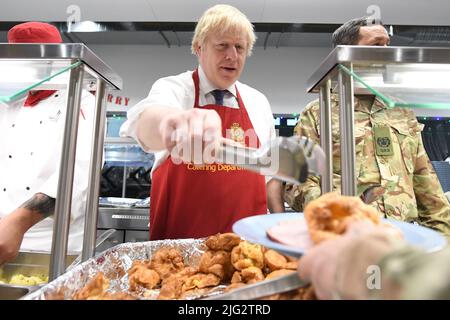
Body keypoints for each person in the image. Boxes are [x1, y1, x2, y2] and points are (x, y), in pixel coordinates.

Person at [276, 17, 450, 237]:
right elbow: (296, 183)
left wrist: (443, 247)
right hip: (347, 239)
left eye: (388, 45)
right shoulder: (319, 112)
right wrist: (337, 214)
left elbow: (426, 185)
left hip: (402, 242)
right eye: (376, 46)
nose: (386, 53)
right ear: (346, 52)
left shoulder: (401, 112)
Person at [120, 4, 276, 240]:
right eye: (222, 45)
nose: (232, 55)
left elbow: (270, 176)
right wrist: (175, 123)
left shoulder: (259, 102)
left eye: (239, 47)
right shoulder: (173, 89)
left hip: (246, 256)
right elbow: (146, 124)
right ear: (198, 48)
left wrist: (279, 230)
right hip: (178, 255)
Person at [0, 22, 98, 265]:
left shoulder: (81, 101)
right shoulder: (9, 101)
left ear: (55, 60)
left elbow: (77, 175)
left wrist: (18, 222)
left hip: (51, 244)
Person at [299, 220, 450, 299]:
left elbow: (434, 206)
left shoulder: (416, 158)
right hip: (340, 238)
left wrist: (360, 255)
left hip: (403, 246)